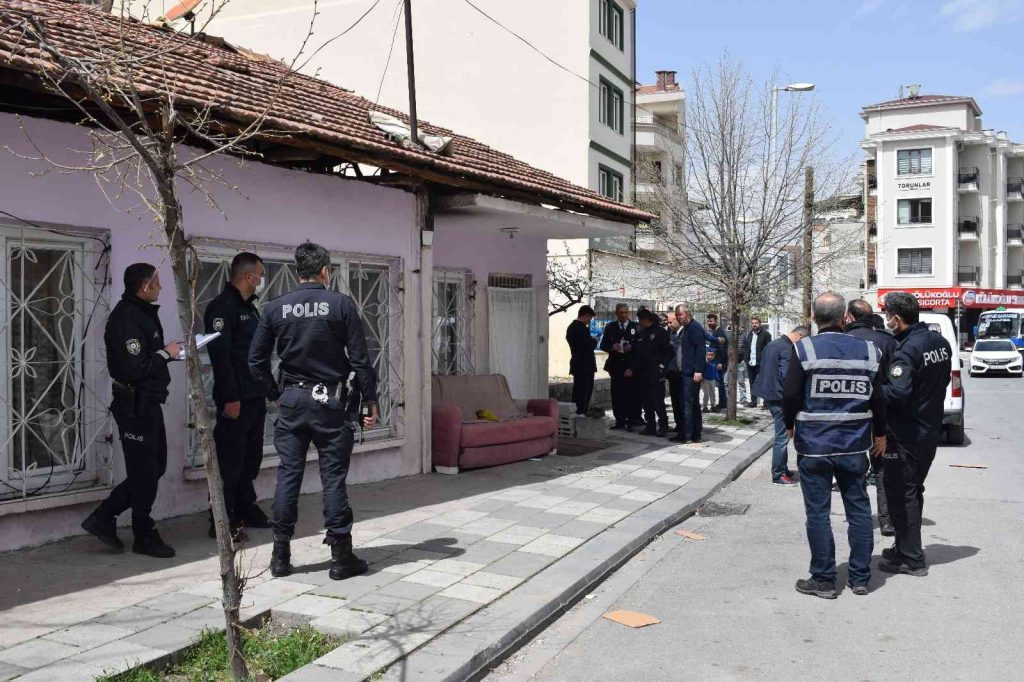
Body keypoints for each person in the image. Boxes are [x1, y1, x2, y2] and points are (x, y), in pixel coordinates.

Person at [249, 241, 379, 581]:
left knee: (287, 475)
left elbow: (256, 361)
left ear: (297, 272)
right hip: (330, 404)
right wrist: (369, 401)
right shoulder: (341, 305)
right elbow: (361, 360)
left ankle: (280, 556)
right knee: (332, 478)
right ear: (325, 271)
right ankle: (341, 557)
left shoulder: (276, 308)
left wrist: (276, 393)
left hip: (292, 402)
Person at [783, 292, 886, 599]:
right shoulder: (869, 351)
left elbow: (789, 395)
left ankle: (825, 580)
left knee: (817, 513)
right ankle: (860, 578)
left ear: (814, 318)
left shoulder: (804, 348)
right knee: (858, 510)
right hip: (854, 445)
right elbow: (878, 399)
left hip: (814, 446)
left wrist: (789, 424)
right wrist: (880, 434)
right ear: (844, 318)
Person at [81, 264, 180, 559]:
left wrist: (167, 354)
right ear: (145, 286)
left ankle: (104, 517)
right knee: (145, 471)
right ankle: (142, 533)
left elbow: (145, 358)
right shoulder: (127, 318)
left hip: (147, 401)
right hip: (133, 404)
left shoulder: (141, 313)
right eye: (157, 283)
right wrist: (166, 354)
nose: (161, 288)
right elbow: (133, 368)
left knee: (154, 467)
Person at [878, 292, 952, 577]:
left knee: (901, 494)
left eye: (888, 316)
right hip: (929, 430)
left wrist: (873, 391)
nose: (887, 321)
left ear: (897, 318)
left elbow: (896, 392)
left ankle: (912, 558)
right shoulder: (940, 343)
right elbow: (942, 381)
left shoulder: (907, 350)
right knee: (912, 491)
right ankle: (904, 547)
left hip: (906, 434)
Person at [204, 252, 273, 541]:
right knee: (230, 461)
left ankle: (246, 506)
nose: (261, 280)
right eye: (260, 275)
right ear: (249, 276)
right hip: (236, 399)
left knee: (250, 458)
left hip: (254, 396)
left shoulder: (249, 307)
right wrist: (231, 397)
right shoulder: (222, 308)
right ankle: (222, 518)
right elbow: (222, 358)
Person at [846, 299, 898, 536]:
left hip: (850, 414)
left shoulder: (843, 341)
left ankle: (858, 516)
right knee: (881, 467)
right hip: (881, 413)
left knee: (853, 467)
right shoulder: (888, 341)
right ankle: (886, 520)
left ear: (849, 316)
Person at [752, 325, 809, 486]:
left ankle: (782, 467)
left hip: (769, 393)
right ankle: (778, 474)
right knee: (782, 437)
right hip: (779, 396)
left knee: (782, 434)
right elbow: (787, 376)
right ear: (800, 336)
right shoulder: (787, 349)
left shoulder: (774, 343)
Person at [627, 309, 672, 436]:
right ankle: (650, 425)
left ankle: (663, 426)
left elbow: (668, 352)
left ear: (647, 319)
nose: (639, 322)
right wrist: (632, 368)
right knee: (646, 401)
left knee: (658, 400)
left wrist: (662, 367)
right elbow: (638, 353)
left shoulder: (660, 332)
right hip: (643, 372)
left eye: (640, 320)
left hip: (656, 372)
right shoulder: (641, 333)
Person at [600, 304, 640, 430]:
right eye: (621, 313)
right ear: (616, 313)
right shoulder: (610, 327)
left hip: (630, 366)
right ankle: (620, 420)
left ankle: (633, 420)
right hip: (616, 366)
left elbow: (641, 346)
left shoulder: (635, 327)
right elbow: (603, 344)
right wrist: (612, 347)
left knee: (632, 395)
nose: (623, 315)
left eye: (625, 313)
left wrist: (632, 347)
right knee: (617, 395)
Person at [671, 304, 706, 443]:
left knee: (688, 404)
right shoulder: (687, 328)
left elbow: (700, 350)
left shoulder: (695, 328)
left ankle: (686, 435)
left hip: (691, 373)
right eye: (677, 315)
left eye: (681, 314)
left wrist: (698, 370)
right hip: (685, 372)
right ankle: (695, 434)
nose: (679, 317)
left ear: (688, 314)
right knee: (692, 404)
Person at [566, 306, 598, 415]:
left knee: (578, 391)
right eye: (590, 318)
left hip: (577, 363)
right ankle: (581, 413)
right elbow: (588, 345)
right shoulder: (581, 328)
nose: (589, 321)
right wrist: (595, 341)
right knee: (584, 392)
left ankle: (577, 412)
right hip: (585, 365)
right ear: (586, 316)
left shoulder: (571, 327)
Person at [740, 317, 772, 407]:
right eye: (753, 323)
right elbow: (746, 347)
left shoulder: (766, 335)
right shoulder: (749, 334)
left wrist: (765, 361)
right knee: (752, 382)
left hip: (761, 363)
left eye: (756, 323)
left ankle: (766, 403)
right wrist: (746, 359)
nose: (754, 325)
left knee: (763, 382)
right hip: (751, 362)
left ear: (760, 323)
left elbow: (768, 349)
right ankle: (753, 401)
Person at [665, 315, 685, 435]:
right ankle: (678, 424)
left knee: (682, 401)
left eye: (671, 322)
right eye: (667, 322)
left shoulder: (684, 333)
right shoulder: (671, 334)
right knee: (675, 401)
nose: (669, 324)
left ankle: (683, 426)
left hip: (681, 373)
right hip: (672, 373)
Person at [705, 313, 728, 411]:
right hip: (713, 362)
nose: (709, 323)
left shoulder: (720, 332)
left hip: (719, 362)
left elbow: (722, 349)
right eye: (708, 321)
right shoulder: (712, 332)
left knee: (720, 383)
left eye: (711, 321)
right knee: (717, 383)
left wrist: (720, 362)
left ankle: (723, 403)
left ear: (716, 321)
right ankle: (721, 402)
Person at [700, 345, 719, 412]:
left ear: (714, 356)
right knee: (706, 393)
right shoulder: (704, 362)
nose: (710, 357)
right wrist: (701, 377)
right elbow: (701, 370)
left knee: (713, 393)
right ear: (706, 355)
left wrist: (717, 379)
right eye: (708, 355)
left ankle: (713, 406)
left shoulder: (714, 362)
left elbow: (715, 371)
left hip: (712, 379)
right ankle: (705, 407)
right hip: (705, 380)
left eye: (712, 355)